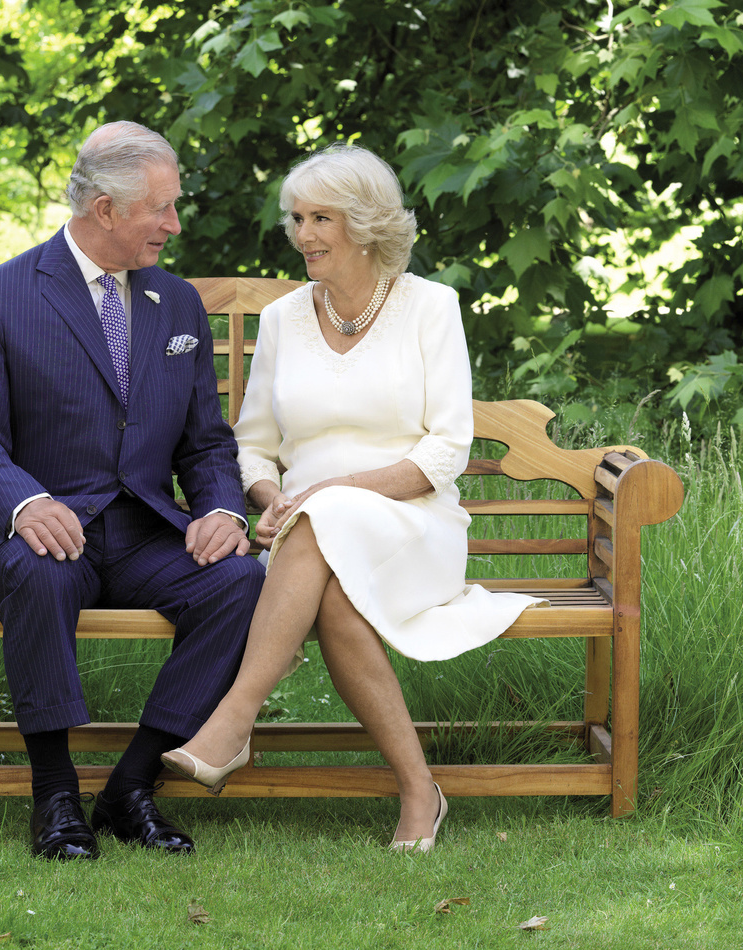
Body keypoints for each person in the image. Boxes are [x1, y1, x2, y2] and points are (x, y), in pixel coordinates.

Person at [160, 143, 543, 852]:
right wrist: (273, 496)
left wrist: (323, 493)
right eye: (297, 218)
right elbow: (252, 444)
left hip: (414, 527)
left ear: (365, 224)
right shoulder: (281, 320)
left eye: (321, 218)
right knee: (332, 585)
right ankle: (418, 791)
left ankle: (235, 716)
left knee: (325, 512)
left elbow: (444, 451)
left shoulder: (431, 307)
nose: (303, 234)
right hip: (313, 538)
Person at [0, 121, 265, 860]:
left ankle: (131, 786)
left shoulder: (177, 304)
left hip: (142, 533)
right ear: (106, 210)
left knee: (240, 581)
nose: (175, 225)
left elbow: (206, 441)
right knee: (41, 570)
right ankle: (54, 796)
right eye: (162, 208)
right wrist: (25, 503)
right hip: (40, 532)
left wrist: (220, 507)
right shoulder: (2, 294)